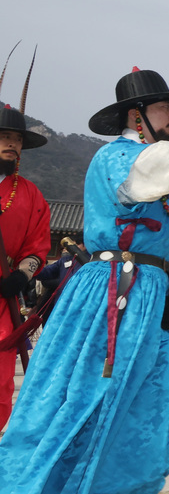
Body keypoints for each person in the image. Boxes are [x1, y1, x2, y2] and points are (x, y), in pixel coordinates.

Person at [0, 68, 169, 493]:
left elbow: (167, 249)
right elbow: (163, 166)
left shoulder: (160, 167)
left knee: (156, 404)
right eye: (164, 106)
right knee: (88, 398)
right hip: (112, 292)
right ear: (137, 116)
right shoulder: (118, 157)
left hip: (151, 296)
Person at [0, 102, 51, 429]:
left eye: (17, 139)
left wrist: (21, 274)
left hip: (3, 297)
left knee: (2, 376)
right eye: (4, 136)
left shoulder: (32, 195)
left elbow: (38, 245)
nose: (11, 144)